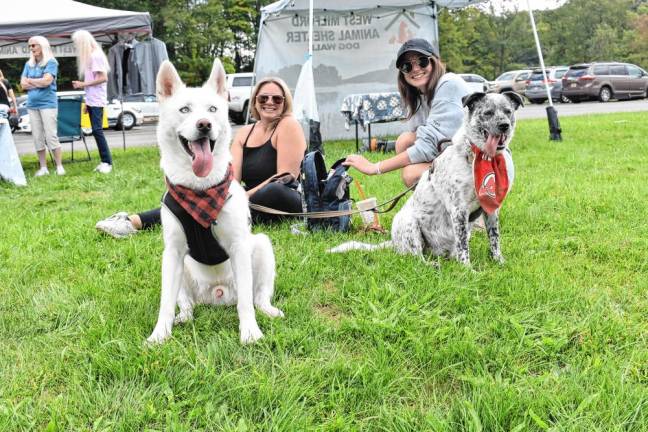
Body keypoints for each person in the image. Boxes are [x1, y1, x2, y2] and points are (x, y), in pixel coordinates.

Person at [95, 76, 307, 238]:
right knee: (206, 200)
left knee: (268, 191)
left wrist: (243, 196)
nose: (270, 102)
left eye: (276, 98)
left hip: (280, 196)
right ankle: (133, 222)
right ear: (255, 102)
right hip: (250, 201)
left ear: (284, 102)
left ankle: (135, 222)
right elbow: (230, 176)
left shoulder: (288, 125)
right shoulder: (246, 132)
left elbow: (286, 177)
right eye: (263, 98)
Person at [343, 38, 469, 187]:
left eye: (422, 61)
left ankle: (446, 206)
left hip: (476, 162)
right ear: (402, 73)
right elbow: (421, 140)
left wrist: (374, 167)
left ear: (434, 62)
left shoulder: (449, 83)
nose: (415, 69)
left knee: (411, 174)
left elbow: (428, 148)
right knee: (404, 140)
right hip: (454, 153)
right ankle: (432, 203)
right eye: (407, 66)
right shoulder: (418, 96)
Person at [21, 36, 65, 177]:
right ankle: (43, 167)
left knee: (51, 135)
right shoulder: (28, 64)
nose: (32, 48)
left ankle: (59, 166)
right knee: (37, 136)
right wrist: (37, 81)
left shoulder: (51, 62)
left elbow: (47, 81)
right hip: (32, 105)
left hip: (48, 104)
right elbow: (22, 84)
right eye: (30, 46)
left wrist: (31, 81)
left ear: (43, 46)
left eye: (34, 45)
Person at [71, 30, 113, 174]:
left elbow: (103, 78)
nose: (77, 46)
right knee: (96, 131)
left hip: (97, 100)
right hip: (92, 99)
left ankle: (107, 162)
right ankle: (104, 161)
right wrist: (86, 100)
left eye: (77, 43)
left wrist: (83, 84)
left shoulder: (95, 56)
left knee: (97, 131)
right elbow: (94, 80)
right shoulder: (91, 56)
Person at [0, 69, 27, 186]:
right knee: (6, 145)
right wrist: (15, 110)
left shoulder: (4, 82)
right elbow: (12, 98)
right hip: (4, 113)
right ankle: (10, 174)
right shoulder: (4, 82)